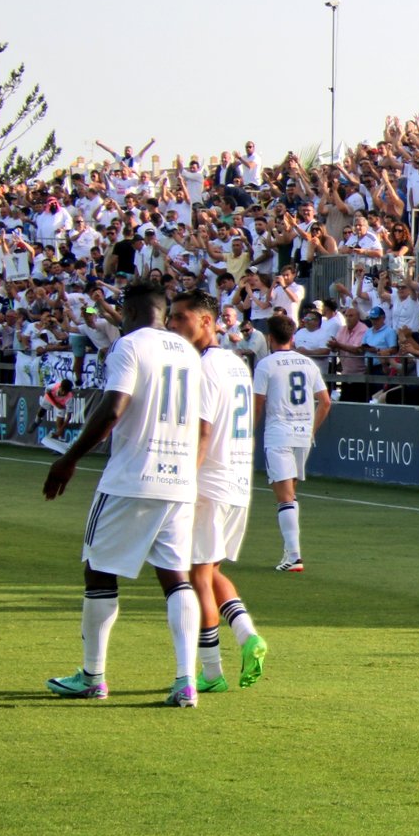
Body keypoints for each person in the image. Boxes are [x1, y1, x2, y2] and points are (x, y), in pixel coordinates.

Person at [43, 281, 203, 708]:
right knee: (175, 578)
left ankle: (94, 676)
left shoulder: (129, 347)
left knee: (98, 570)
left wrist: (69, 458)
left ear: (129, 313)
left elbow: (114, 407)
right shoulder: (188, 352)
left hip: (133, 477)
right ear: (163, 313)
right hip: (179, 480)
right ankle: (186, 681)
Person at [167, 290, 267, 693]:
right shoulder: (234, 362)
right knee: (210, 569)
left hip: (209, 485)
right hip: (237, 482)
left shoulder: (205, 366)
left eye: (180, 318)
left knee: (197, 579)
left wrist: (184, 483)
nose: (173, 325)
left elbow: (204, 431)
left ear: (206, 322)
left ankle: (210, 672)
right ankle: (247, 635)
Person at [254, 315, 332, 571]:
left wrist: (247, 435)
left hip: (279, 433)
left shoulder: (266, 365)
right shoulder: (308, 363)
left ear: (270, 338)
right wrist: (311, 430)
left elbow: (258, 403)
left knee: (284, 496)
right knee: (291, 494)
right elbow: (326, 401)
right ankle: (290, 551)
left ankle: (294, 556)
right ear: (293, 336)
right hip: (302, 434)